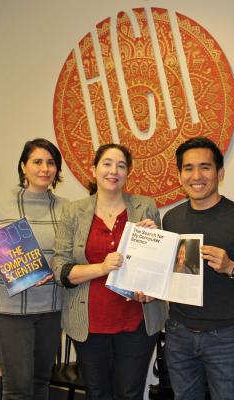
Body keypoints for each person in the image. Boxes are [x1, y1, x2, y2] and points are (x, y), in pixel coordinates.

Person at [51, 143, 168, 400]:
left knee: (130, 393)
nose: (113, 170)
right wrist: (101, 268)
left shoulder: (144, 207)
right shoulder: (73, 211)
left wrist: (154, 239)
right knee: (97, 392)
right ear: (93, 169)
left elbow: (157, 267)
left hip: (136, 319)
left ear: (128, 173)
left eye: (121, 165)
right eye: (107, 163)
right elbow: (59, 267)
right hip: (89, 322)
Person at [162, 137, 234, 400]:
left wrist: (232, 268)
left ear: (220, 173)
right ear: (179, 175)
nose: (196, 176)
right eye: (188, 168)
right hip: (178, 333)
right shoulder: (171, 219)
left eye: (205, 167)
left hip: (224, 337)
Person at [0, 138, 68, 400]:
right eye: (37, 162)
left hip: (51, 309)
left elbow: (71, 257)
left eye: (51, 163)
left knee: (41, 382)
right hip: (9, 312)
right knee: (17, 389)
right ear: (23, 166)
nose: (44, 168)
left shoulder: (68, 209)